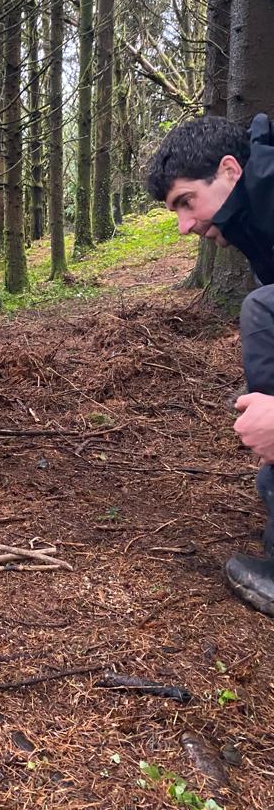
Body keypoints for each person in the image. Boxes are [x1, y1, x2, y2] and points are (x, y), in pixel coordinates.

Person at [146, 113, 274, 615]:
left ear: (228, 170)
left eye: (186, 202)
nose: (185, 226)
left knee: (263, 310)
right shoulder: (259, 217)